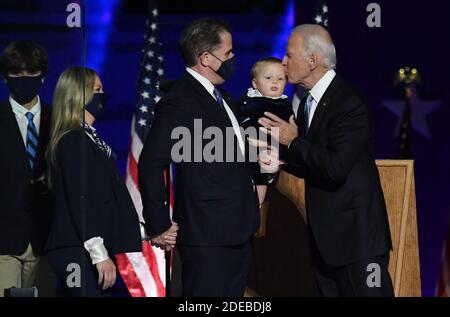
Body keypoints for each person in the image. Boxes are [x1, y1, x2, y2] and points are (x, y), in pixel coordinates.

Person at [257, 24, 394, 297]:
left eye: (289, 55)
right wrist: (281, 160)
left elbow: (335, 167)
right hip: (325, 243)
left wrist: (293, 142)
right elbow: (314, 161)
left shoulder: (348, 103)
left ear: (312, 60)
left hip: (358, 243)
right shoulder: (310, 102)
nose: (283, 62)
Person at [138, 18, 260, 297]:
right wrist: (159, 223)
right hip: (207, 235)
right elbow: (151, 161)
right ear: (206, 58)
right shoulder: (180, 99)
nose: (233, 58)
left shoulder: (223, 97)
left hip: (237, 230)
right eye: (228, 53)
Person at [45, 66, 142, 297]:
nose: (103, 95)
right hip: (76, 249)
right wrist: (99, 255)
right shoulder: (74, 141)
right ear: (79, 95)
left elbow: (106, 199)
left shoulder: (89, 139)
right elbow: (83, 199)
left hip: (87, 248)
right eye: (97, 90)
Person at [0, 40, 52, 296]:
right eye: (16, 74)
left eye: (31, 73)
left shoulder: (59, 120)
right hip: (4, 241)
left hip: (47, 238)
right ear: (5, 78)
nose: (24, 79)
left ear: (42, 77)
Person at [237, 57, 293, 205]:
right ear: (255, 83)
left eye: (280, 78)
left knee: (259, 193)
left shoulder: (285, 107)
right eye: (268, 78)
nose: (275, 82)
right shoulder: (246, 101)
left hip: (270, 157)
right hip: (245, 155)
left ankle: (257, 208)